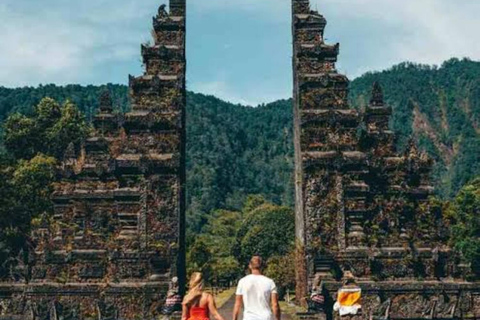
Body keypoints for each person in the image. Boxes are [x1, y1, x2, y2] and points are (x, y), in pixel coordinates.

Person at [233, 256, 281, 320]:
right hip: (265, 317)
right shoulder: (270, 282)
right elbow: (275, 305)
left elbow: (237, 304)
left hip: (249, 317)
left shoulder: (242, 281)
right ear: (262, 267)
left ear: (250, 266)